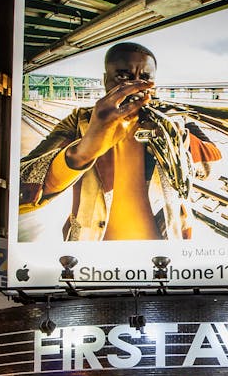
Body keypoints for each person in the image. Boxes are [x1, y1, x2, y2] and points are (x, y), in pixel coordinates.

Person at [20, 42, 216, 241]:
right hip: (93, 247)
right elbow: (20, 189)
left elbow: (210, 171)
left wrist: (175, 138)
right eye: (123, 76)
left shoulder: (173, 119)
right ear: (105, 80)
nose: (135, 86)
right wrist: (82, 152)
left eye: (145, 78)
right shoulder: (81, 120)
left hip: (164, 247)